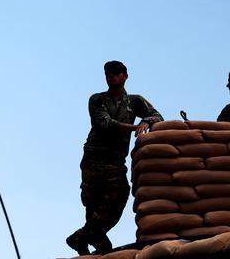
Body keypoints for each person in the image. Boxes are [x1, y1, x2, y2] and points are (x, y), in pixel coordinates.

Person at [66, 60, 163, 256]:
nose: (111, 76)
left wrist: (145, 120)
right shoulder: (97, 99)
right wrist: (135, 127)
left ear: (125, 76)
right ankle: (94, 243)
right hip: (95, 157)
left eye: (116, 73)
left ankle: (81, 237)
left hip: (115, 160)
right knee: (94, 204)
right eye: (108, 73)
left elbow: (157, 116)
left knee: (119, 196)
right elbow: (104, 123)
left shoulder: (134, 101)